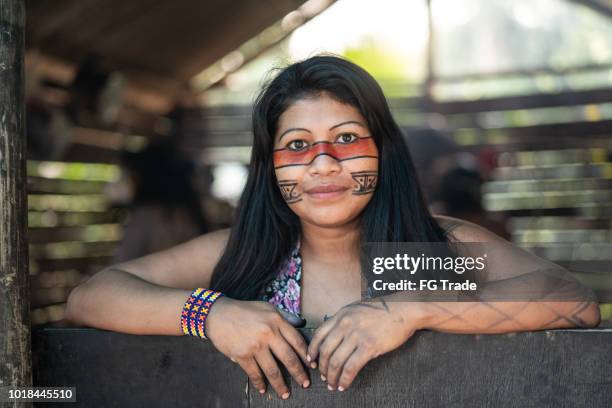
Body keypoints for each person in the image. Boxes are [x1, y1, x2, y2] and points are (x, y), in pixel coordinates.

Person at [65, 55, 600, 400]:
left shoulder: (423, 253)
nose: (323, 165)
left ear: (383, 152)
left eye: (346, 139)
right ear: (270, 164)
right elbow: (91, 296)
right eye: (297, 146)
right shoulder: (246, 253)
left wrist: (412, 307)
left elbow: (573, 299)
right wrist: (211, 313)